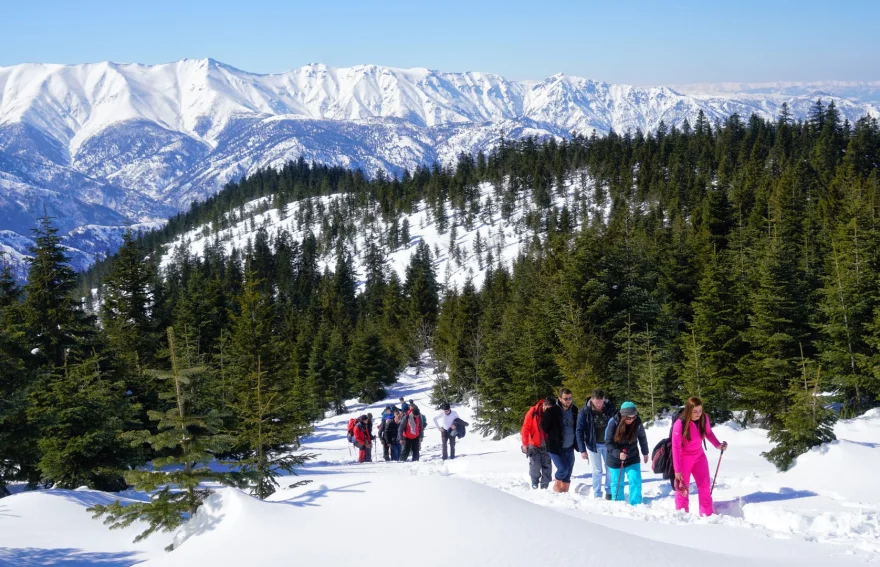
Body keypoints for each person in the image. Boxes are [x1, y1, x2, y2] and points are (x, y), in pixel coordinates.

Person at [672, 397, 728, 516]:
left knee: (705, 486)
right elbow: (675, 448)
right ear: (689, 410)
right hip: (684, 458)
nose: (698, 414)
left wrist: (718, 445)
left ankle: (706, 515)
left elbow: (708, 433)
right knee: (683, 490)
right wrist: (677, 470)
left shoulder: (704, 418)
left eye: (700, 410)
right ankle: (682, 516)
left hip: (699, 456)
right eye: (695, 411)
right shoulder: (679, 424)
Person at [605, 402, 649, 505]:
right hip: (615, 458)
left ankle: (636, 504)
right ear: (623, 415)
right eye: (628, 418)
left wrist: (645, 452)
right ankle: (618, 505)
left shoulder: (637, 422)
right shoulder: (613, 422)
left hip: (632, 456)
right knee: (617, 483)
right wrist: (618, 453)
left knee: (635, 480)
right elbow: (608, 442)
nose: (631, 420)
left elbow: (642, 437)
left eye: (633, 417)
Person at [576, 389, 617, 499]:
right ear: (592, 399)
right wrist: (582, 449)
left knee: (610, 468)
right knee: (597, 470)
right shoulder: (585, 411)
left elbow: (618, 424)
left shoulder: (610, 408)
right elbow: (579, 430)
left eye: (601, 401)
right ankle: (597, 493)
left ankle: (609, 491)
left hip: (608, 444)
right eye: (596, 401)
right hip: (593, 445)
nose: (599, 404)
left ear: (604, 399)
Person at [541, 388, 578, 493]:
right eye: (566, 399)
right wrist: (546, 415)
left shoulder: (574, 410)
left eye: (570, 398)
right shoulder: (552, 411)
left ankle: (564, 491)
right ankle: (556, 488)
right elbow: (544, 428)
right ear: (560, 399)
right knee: (563, 469)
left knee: (569, 470)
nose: (568, 401)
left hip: (569, 446)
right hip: (555, 447)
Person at [521, 398, 554, 489]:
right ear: (544, 405)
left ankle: (545, 484)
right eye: (548, 408)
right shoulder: (533, 412)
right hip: (533, 443)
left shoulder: (553, 413)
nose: (549, 411)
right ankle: (534, 481)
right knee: (535, 465)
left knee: (547, 465)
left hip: (546, 443)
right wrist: (525, 443)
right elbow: (525, 428)